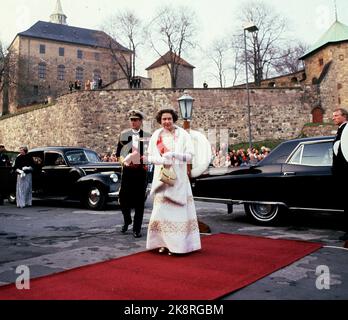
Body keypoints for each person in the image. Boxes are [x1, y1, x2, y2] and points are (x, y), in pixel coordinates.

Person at [146, 108, 201, 255]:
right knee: (161, 213)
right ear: (160, 120)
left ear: (174, 119)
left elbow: (190, 156)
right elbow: (150, 157)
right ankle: (162, 244)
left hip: (179, 180)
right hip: (163, 178)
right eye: (164, 119)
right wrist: (163, 159)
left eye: (169, 119)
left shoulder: (183, 134)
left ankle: (179, 246)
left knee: (178, 214)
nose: (167, 122)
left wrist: (175, 155)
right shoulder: (156, 136)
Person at [116, 110, 150, 238]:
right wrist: (124, 162)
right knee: (123, 200)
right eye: (131, 120)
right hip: (128, 172)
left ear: (141, 121)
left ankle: (137, 229)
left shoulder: (147, 135)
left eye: (136, 120)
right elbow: (118, 154)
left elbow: (150, 153)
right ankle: (127, 220)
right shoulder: (124, 135)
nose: (133, 122)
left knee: (139, 202)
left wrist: (145, 159)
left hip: (141, 172)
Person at [332, 108, 348, 241]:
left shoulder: (346, 130)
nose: (333, 118)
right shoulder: (342, 129)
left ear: (344, 116)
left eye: (336, 115)